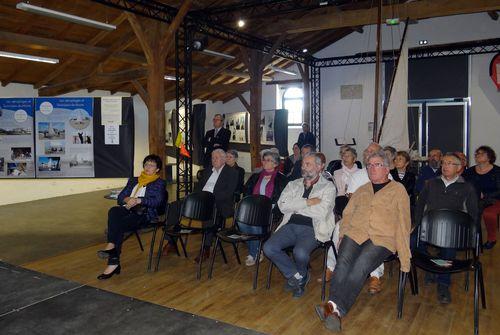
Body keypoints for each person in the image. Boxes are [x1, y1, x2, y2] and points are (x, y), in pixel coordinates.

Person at [315, 150, 411, 332]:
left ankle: (333, 308)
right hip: (356, 232)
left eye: (377, 165)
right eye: (369, 165)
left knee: (360, 266)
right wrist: (343, 232)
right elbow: (348, 213)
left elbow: (404, 223)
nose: (372, 169)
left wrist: (404, 253)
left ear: (387, 168)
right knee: (342, 264)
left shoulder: (398, 190)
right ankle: (333, 310)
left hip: (382, 238)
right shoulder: (363, 189)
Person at [263, 152, 336, 298]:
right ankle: (299, 276)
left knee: (300, 252)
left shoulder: (328, 187)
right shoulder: (293, 184)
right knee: (268, 248)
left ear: (319, 167)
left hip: (312, 227)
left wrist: (295, 206)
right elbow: (282, 206)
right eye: (303, 164)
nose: (304, 167)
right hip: (290, 224)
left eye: (308, 164)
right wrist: (307, 202)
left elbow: (322, 212)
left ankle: (299, 277)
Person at [415, 152, 478, 303]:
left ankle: (443, 284)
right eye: (443, 163)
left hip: (452, 230)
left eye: (450, 163)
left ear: (459, 168)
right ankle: (433, 266)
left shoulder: (467, 188)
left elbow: (473, 214)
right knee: (412, 243)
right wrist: (417, 224)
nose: (445, 166)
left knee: (448, 249)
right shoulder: (431, 183)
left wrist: (470, 233)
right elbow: (420, 204)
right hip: (429, 227)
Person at [97, 155, 166, 280]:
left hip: (144, 214)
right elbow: (120, 197)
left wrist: (139, 200)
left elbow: (157, 201)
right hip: (127, 209)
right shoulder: (134, 180)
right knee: (113, 211)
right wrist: (127, 198)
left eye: (151, 165)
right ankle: (112, 247)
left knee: (117, 225)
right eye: (146, 164)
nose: (148, 167)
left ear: (157, 169)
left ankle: (113, 261)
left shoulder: (159, 183)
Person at [346, 142, 393, 294]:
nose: (368, 153)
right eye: (366, 151)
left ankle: (375, 275)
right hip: (357, 215)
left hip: (379, 219)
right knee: (339, 229)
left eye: (372, 152)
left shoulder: (387, 175)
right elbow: (351, 200)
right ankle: (332, 267)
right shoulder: (357, 175)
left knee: (376, 236)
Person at [241, 149, 288, 266]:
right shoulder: (256, 176)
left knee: (256, 224)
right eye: (264, 160)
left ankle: (254, 253)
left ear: (275, 163)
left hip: (270, 210)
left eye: (268, 160)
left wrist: (271, 207)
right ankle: (257, 250)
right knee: (243, 224)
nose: (264, 162)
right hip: (253, 208)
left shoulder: (282, 179)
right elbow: (246, 191)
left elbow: (283, 198)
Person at [196, 149, 239, 261]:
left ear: (224, 159)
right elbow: (198, 188)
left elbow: (228, 193)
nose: (214, 160)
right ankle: (171, 241)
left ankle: (206, 248)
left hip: (219, 203)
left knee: (209, 212)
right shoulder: (207, 171)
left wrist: (210, 198)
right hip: (202, 201)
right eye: (212, 157)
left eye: (217, 157)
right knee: (175, 206)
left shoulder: (232, 173)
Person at [463, 146, 500, 249]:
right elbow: (463, 185)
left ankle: (491, 239)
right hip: (474, 200)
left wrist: (485, 195)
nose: (477, 155)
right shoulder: (469, 171)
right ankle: (468, 239)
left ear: (489, 157)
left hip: (494, 199)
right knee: (465, 211)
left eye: (481, 153)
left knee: (489, 214)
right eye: (476, 154)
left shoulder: (497, 171)